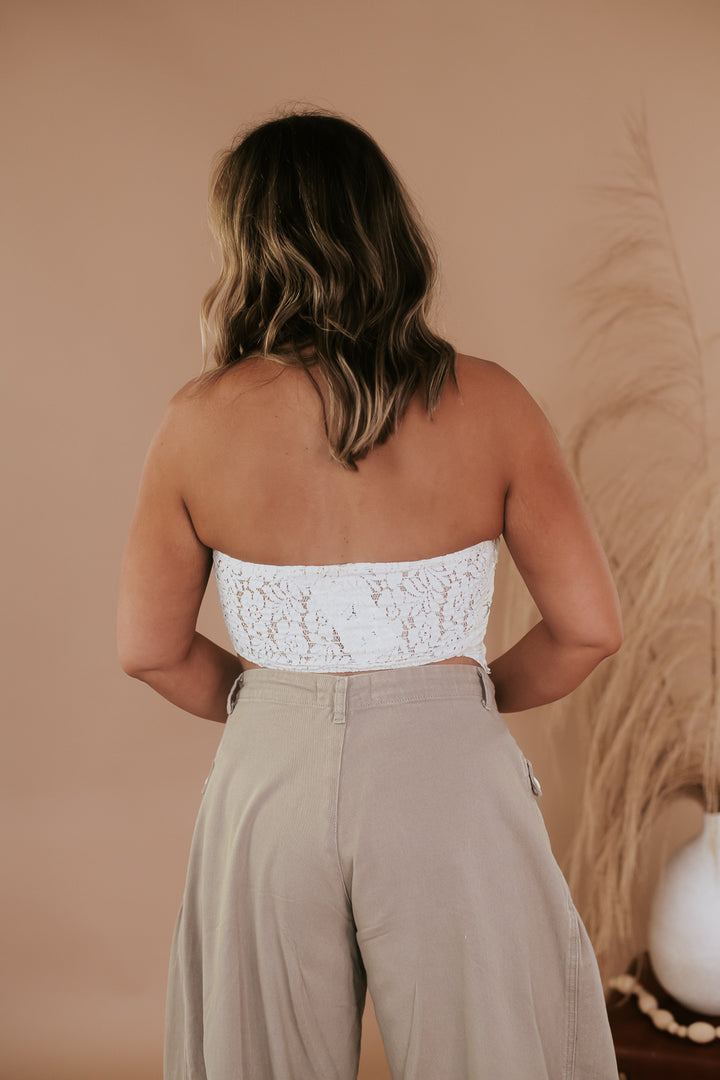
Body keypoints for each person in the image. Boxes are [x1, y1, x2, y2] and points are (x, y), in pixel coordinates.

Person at [117, 109, 623, 1080]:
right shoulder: (494, 402)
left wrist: (277, 707)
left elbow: (150, 648)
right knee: (490, 1054)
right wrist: (460, 698)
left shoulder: (196, 422)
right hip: (447, 772)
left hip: (269, 780)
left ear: (248, 247)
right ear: (387, 231)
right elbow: (589, 629)